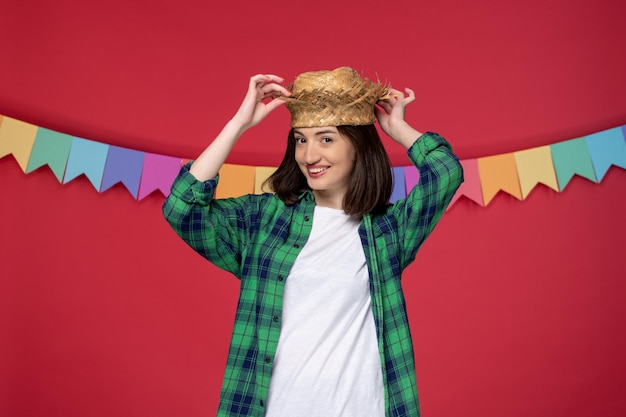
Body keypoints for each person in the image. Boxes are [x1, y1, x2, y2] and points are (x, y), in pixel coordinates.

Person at [162, 67, 463, 417]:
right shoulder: (264, 221)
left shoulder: (388, 230)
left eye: (326, 138)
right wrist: (238, 125)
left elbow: (446, 172)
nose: (309, 155)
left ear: (359, 146)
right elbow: (181, 208)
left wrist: (397, 129)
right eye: (301, 139)